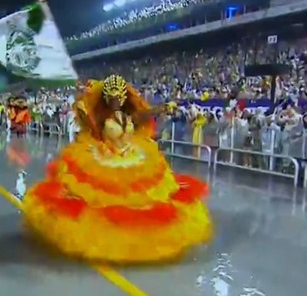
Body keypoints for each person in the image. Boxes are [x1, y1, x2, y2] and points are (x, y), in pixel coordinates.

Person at [21, 75, 213, 263]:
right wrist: (82, 111)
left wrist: (162, 108)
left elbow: (143, 115)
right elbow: (91, 126)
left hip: (132, 157)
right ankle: (100, 237)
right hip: (103, 158)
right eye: (111, 97)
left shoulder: (127, 116)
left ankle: (141, 238)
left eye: (118, 97)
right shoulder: (101, 119)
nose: (115, 101)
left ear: (123, 98)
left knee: (145, 197)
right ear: (106, 98)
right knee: (100, 199)